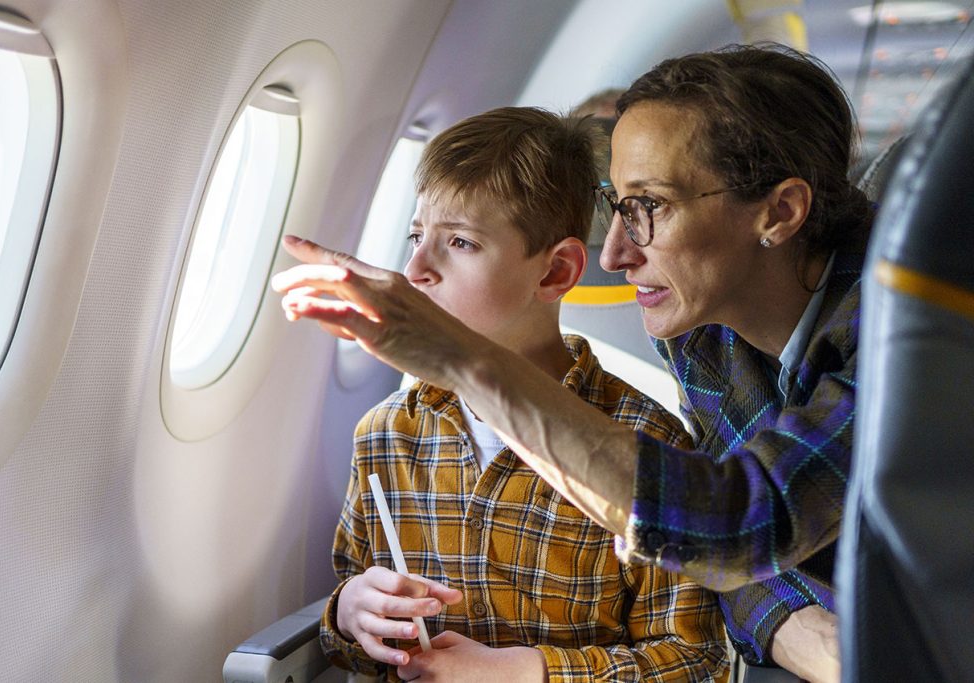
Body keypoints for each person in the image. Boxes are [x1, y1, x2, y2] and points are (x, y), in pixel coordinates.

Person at [275, 44, 870, 683]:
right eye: (618, 206)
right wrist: (786, 622)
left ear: (778, 213)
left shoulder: (902, 353)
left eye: (650, 207)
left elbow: (735, 529)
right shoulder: (705, 333)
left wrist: (457, 355)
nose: (613, 255)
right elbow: (715, 546)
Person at [317, 107, 729, 682]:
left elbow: (693, 660)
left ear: (556, 272)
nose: (416, 270)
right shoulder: (386, 436)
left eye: (459, 241)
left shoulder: (648, 446)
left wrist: (522, 672)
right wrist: (350, 612)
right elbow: (348, 629)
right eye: (417, 236)